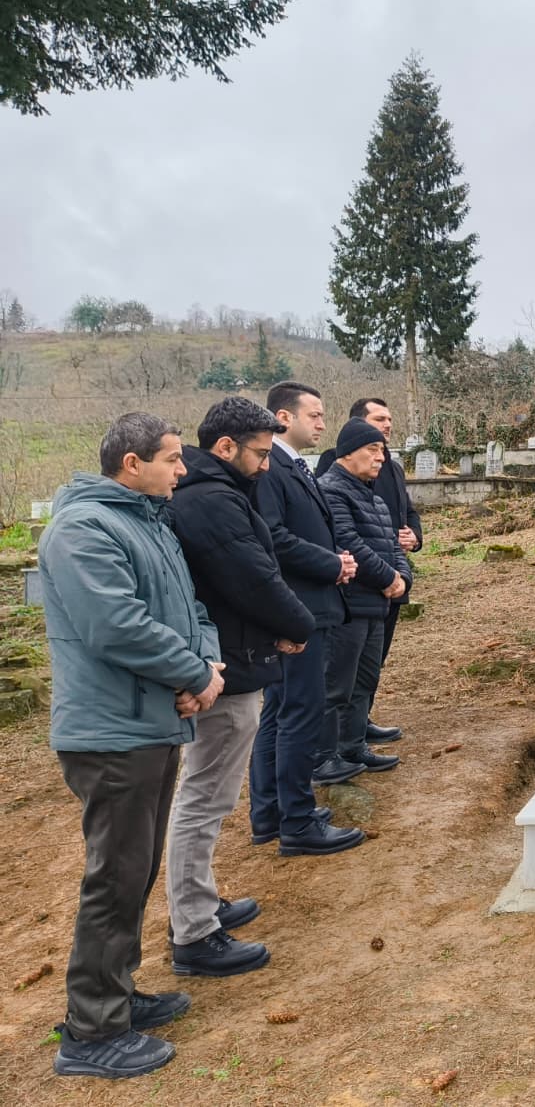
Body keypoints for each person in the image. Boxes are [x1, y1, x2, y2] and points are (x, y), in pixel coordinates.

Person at [39, 413, 225, 1079]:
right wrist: (193, 673)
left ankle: (118, 995)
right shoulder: (83, 529)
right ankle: (90, 1034)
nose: (183, 470)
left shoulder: (149, 524)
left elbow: (192, 613)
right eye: (173, 460)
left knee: (136, 871)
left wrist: (207, 667)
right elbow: (115, 626)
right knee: (114, 879)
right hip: (110, 733)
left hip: (151, 724)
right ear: (130, 464)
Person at [165, 397, 317, 978]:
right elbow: (251, 575)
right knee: (203, 800)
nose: (266, 464)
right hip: (224, 672)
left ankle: (198, 903)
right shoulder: (210, 502)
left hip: (235, 659)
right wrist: (296, 625)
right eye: (258, 453)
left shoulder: (220, 493)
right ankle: (195, 932)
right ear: (224, 447)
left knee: (209, 799)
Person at [251, 381, 366, 855]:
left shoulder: (291, 465)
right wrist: (331, 563)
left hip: (308, 602)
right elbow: (274, 537)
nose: (322, 423)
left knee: (281, 712)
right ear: (284, 417)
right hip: (297, 606)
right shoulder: (270, 467)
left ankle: (273, 812)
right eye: (314, 415)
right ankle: (295, 820)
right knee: (297, 712)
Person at [316, 398, 420, 744]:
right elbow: (347, 541)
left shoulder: (372, 496)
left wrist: (403, 577)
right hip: (351, 603)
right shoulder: (332, 489)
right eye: (374, 450)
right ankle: (329, 753)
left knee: (365, 681)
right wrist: (389, 578)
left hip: (377, 604)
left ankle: (354, 744)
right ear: (348, 451)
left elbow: (393, 540)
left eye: (383, 452)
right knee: (338, 685)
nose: (381, 457)